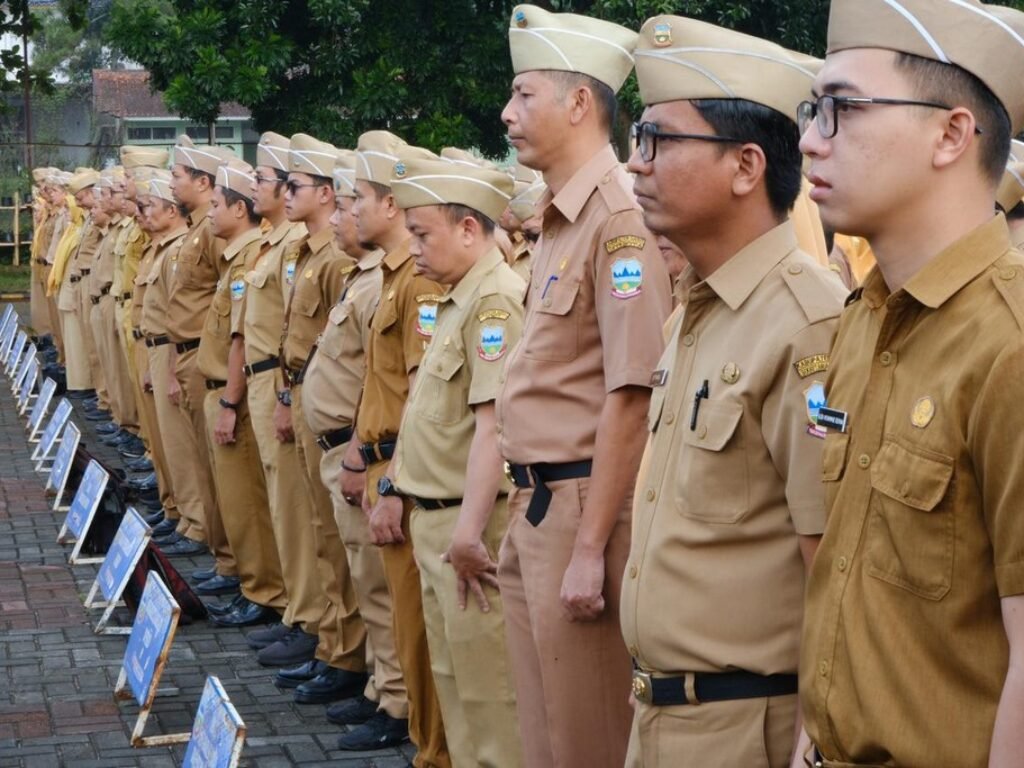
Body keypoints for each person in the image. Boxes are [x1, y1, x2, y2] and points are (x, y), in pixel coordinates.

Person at [796, 1, 1024, 766]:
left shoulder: (1009, 343)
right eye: (812, 109)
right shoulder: (865, 319)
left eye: (842, 110)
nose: (809, 138)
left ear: (952, 135)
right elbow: (845, 574)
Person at [619, 16, 846, 767]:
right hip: (663, 715)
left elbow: (833, 566)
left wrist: (818, 736)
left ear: (747, 166)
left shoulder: (805, 322)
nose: (635, 165)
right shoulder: (700, 305)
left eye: (658, 141)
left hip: (748, 730)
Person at [495, 7, 672, 767]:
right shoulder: (560, 220)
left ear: (578, 104)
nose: (506, 113)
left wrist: (591, 546)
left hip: (580, 510)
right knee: (545, 737)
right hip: (536, 505)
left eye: (524, 94)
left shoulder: (618, 220)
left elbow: (632, 396)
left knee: (589, 740)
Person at [389, 152, 525, 767]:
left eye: (423, 234)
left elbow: (493, 431)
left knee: (490, 698)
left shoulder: (495, 302)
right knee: (455, 685)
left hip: (469, 527)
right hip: (438, 522)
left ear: (469, 229)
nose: (413, 247)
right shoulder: (456, 300)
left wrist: (469, 532)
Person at [300, 149, 411, 750]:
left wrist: (360, 457)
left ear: (391, 205)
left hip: (362, 451)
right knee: (362, 577)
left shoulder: (402, 280)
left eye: (354, 201)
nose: (345, 213)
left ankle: (396, 700)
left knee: (377, 582)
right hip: (343, 446)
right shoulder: (372, 275)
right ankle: (380, 686)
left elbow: (382, 381)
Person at [348, 130, 451, 768]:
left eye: (356, 197)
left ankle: (434, 749)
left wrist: (391, 484)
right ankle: (424, 739)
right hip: (384, 460)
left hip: (404, 471)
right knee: (402, 621)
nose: (347, 210)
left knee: (418, 631)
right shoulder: (396, 276)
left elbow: (420, 395)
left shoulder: (419, 283)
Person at [273, 133, 369, 708]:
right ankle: (334, 644)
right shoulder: (318, 257)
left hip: (344, 434)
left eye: (294, 185)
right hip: (313, 415)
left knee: (337, 543)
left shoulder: (339, 263)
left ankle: (346, 653)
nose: (285, 194)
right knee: (320, 535)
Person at [239, 132, 321, 669]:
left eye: (283, 182)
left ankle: (308, 616)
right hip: (271, 380)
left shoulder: (310, 248)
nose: (266, 189)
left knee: (297, 511)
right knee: (281, 503)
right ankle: (297, 609)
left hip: (288, 384)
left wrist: (287, 394)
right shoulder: (284, 244)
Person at [196, 156, 288, 628]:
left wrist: (231, 401)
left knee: (251, 504)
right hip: (225, 387)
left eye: (217, 204)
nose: (210, 213)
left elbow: (241, 338)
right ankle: (250, 580)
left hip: (246, 390)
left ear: (238, 209)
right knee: (237, 500)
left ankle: (264, 589)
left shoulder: (254, 253)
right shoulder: (248, 253)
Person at [162, 136, 233, 559]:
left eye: (177, 175)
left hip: (203, 356)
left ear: (203, 182)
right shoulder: (197, 229)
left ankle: (220, 548)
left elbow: (224, 300)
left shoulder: (214, 230)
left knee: (209, 462)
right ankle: (210, 539)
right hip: (186, 352)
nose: (172, 184)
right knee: (197, 457)